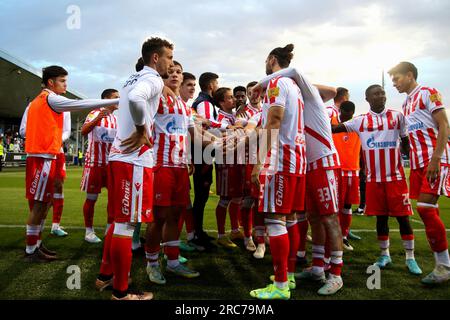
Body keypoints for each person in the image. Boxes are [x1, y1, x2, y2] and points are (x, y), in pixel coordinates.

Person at [95, 37, 173, 300]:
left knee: (117, 221)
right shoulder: (152, 80)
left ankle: (105, 276)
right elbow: (138, 101)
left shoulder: (130, 78)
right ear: (155, 58)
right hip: (134, 160)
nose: (171, 64)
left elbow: (131, 101)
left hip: (119, 157)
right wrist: (142, 129)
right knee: (126, 226)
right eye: (169, 58)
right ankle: (121, 292)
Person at [23, 65, 119, 263]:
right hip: (43, 156)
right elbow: (81, 104)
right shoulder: (49, 98)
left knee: (43, 204)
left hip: (44, 156)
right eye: (62, 81)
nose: (66, 85)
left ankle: (36, 244)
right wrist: (117, 100)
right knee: (40, 205)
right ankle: (31, 249)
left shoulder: (41, 101)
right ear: (51, 82)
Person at [332, 84, 422, 275]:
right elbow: (335, 129)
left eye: (382, 93)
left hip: (396, 178)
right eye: (376, 94)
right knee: (381, 219)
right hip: (374, 180)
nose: (381, 96)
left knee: (403, 218)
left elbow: (405, 141)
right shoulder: (360, 121)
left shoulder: (397, 117)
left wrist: (410, 153)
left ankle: (410, 257)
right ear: (367, 99)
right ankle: (384, 254)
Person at [249, 44, 306, 300]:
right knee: (290, 218)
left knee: (275, 220)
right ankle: (289, 275)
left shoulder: (277, 84)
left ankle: (281, 286)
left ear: (272, 59)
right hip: (297, 160)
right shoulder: (294, 86)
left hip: (280, 161)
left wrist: (259, 162)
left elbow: (274, 121)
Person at [389, 61, 450, 284]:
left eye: (396, 78)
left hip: (434, 160)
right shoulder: (406, 103)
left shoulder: (428, 93)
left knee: (425, 208)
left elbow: (444, 125)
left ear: (410, 75)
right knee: (428, 209)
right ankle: (442, 262)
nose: (394, 83)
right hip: (417, 163)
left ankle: (444, 266)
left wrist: (435, 158)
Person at [145, 60, 202, 285]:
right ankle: (151, 264)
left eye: (178, 72)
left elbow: (192, 134)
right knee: (158, 217)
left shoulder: (184, 105)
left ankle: (173, 261)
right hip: (161, 165)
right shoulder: (157, 98)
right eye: (171, 72)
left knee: (176, 215)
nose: (176, 75)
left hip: (180, 167)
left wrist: (221, 143)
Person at [80, 89, 119, 243]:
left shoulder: (116, 120)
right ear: (106, 99)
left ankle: (110, 230)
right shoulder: (94, 113)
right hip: (95, 163)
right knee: (92, 198)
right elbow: (83, 131)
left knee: (113, 199)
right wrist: (98, 118)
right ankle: (89, 232)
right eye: (116, 98)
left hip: (111, 164)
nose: (118, 100)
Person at [190, 72, 224, 250]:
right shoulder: (204, 102)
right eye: (216, 83)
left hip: (203, 151)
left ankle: (198, 231)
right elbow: (205, 123)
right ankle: (196, 233)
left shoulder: (206, 102)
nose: (218, 86)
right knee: (201, 193)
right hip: (202, 152)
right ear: (211, 85)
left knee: (202, 194)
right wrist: (226, 128)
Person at [331, 101, 361, 251]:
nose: (348, 118)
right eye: (345, 114)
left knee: (347, 206)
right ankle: (334, 236)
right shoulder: (332, 122)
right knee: (334, 206)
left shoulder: (357, 124)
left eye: (350, 115)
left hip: (353, 171)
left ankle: (344, 236)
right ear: (340, 110)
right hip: (336, 170)